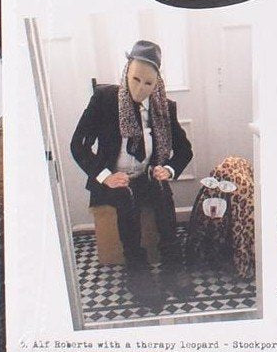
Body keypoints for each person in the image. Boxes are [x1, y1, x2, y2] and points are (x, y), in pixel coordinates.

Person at [70, 40, 193, 309]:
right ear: (126, 71)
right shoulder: (104, 99)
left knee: (162, 193)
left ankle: (172, 264)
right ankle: (137, 272)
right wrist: (106, 176)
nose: (139, 89)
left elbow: (185, 150)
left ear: (157, 83)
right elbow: (77, 145)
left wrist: (168, 169)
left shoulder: (164, 107)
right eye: (135, 79)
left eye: (148, 83)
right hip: (113, 179)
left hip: (146, 176)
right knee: (126, 199)